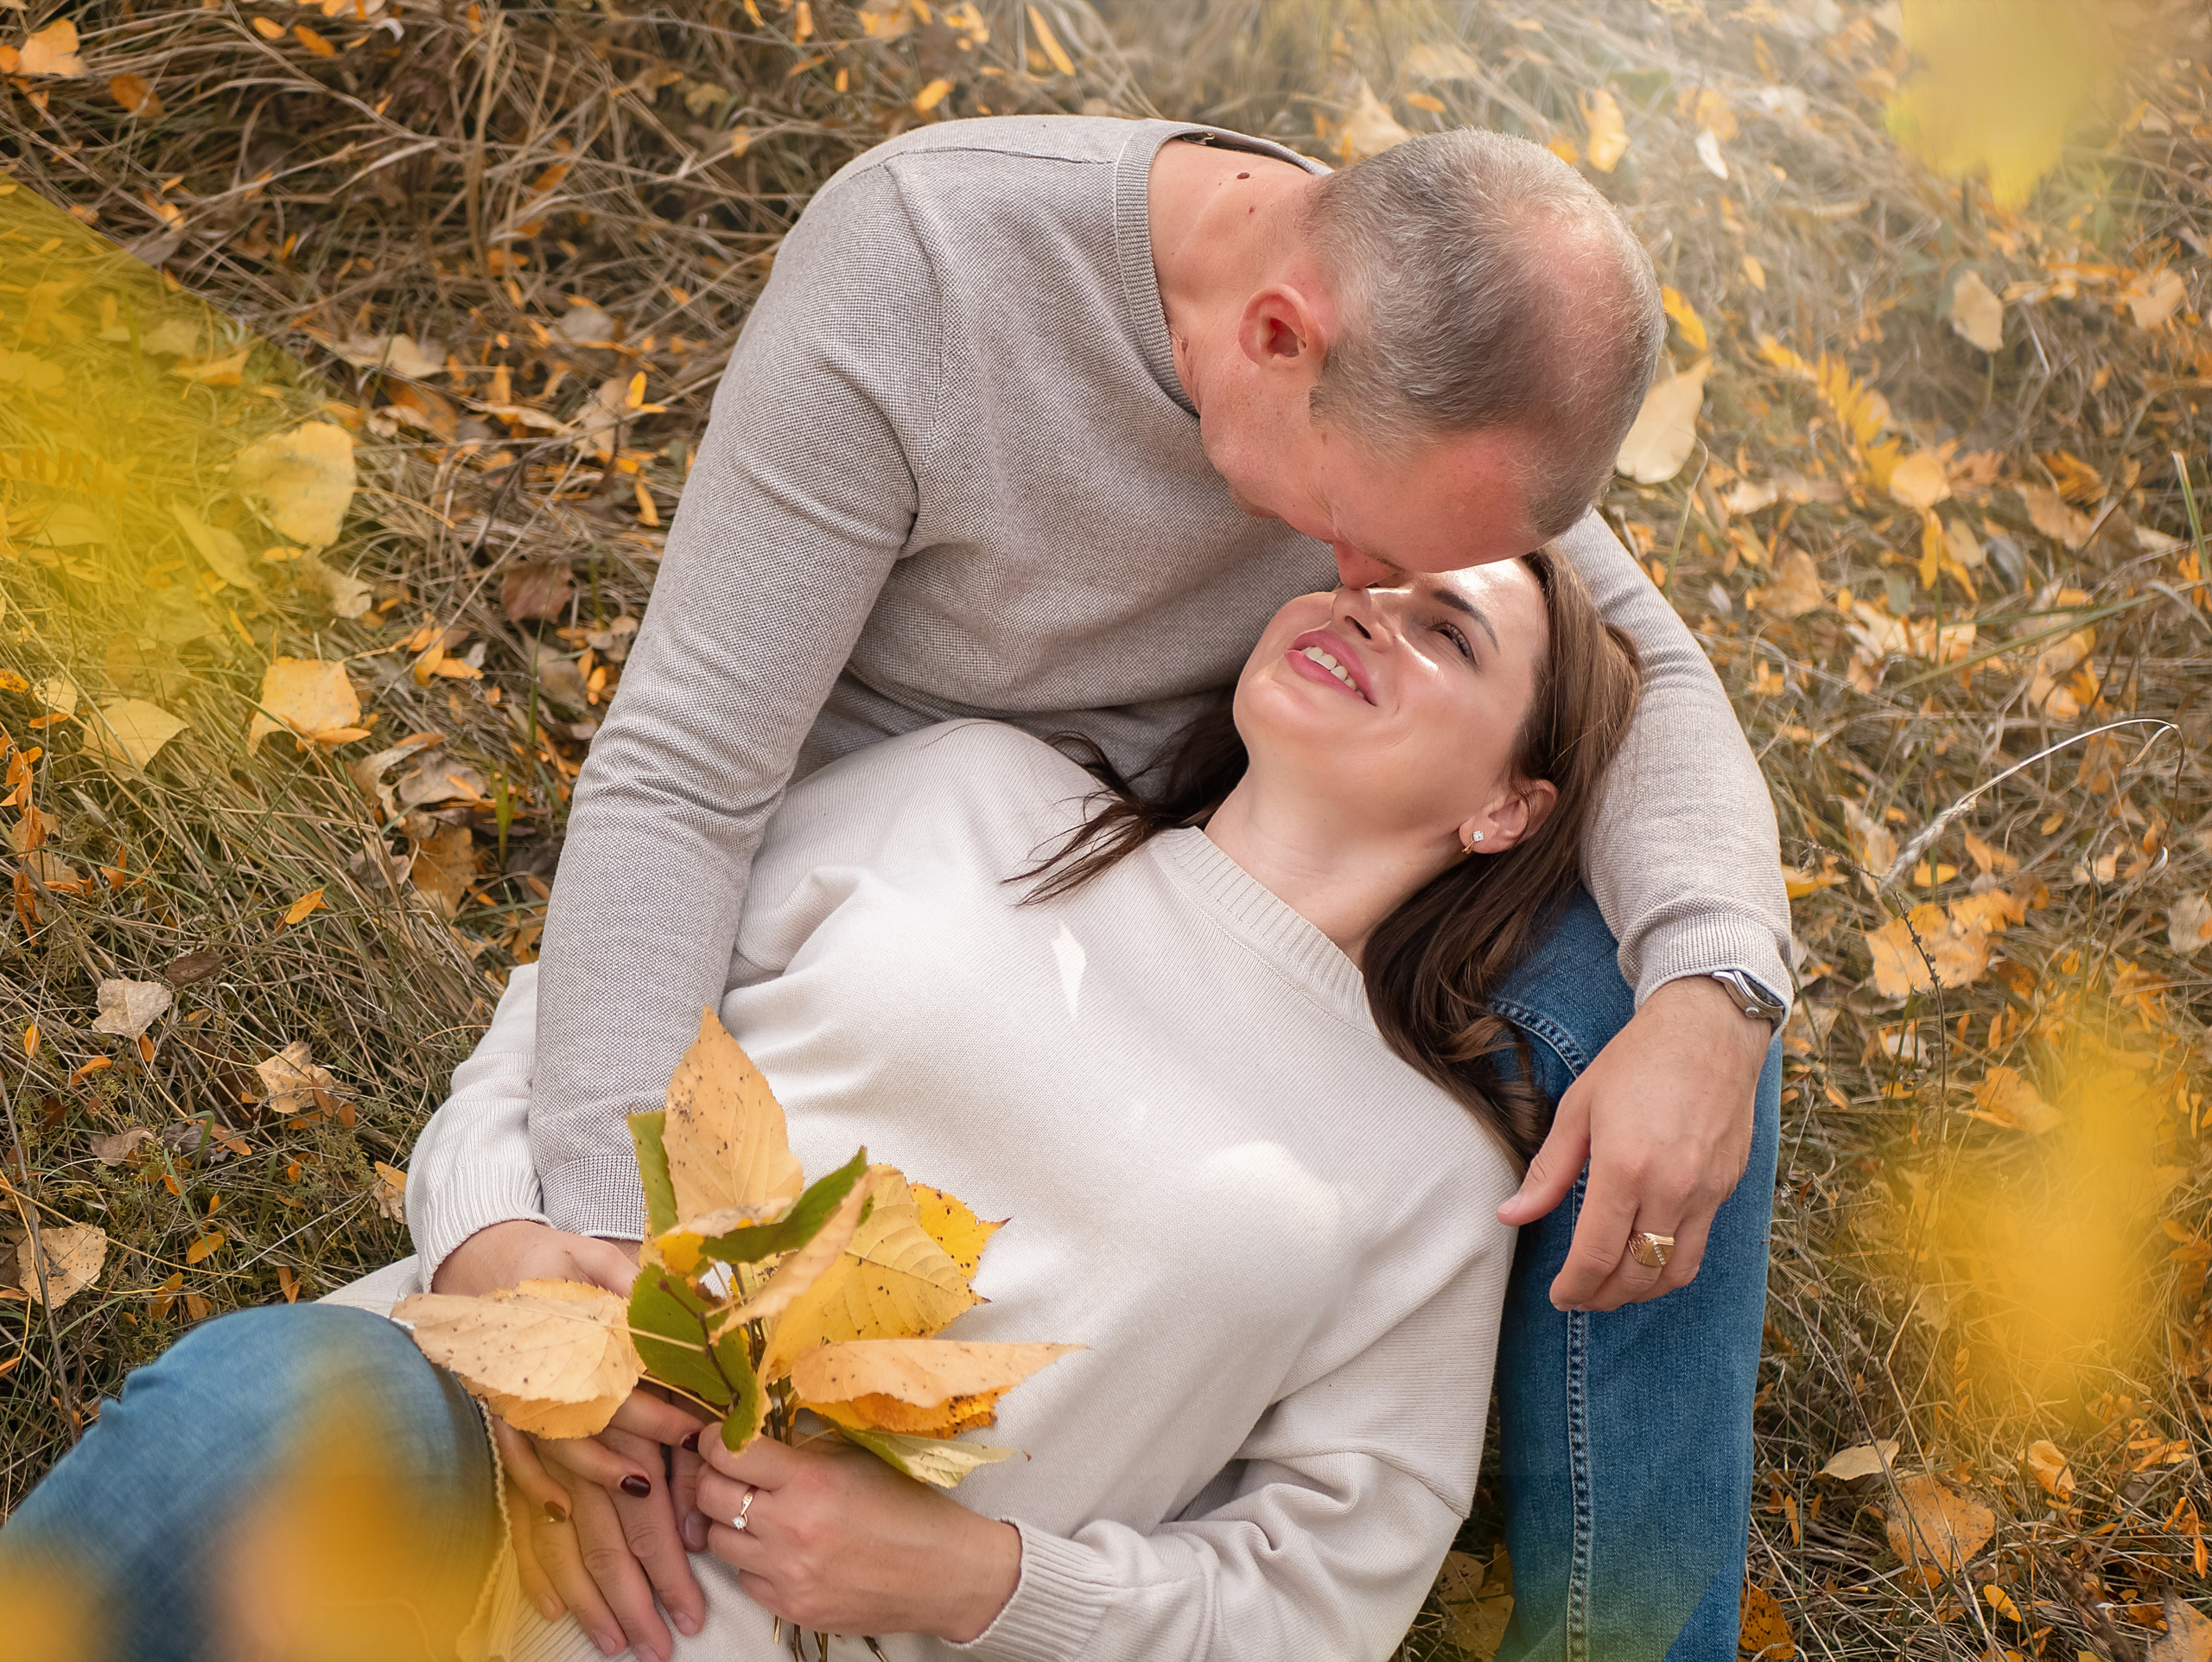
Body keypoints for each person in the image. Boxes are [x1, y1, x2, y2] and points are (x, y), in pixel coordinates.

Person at [484, 116, 1788, 1659]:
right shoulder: (930, 267)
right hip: (951, 863)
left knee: (1682, 1013)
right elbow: (682, 774)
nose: (1356, 588)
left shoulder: (1428, 350)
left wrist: (1718, 998)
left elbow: (1651, 680)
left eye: (1433, 596)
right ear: (1280, 339)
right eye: (1362, 540)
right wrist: (596, 1292)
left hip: (1269, 842)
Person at [7, 553, 1639, 1662]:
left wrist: (984, 1581)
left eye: (1449, 633)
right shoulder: (979, 791)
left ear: (1510, 807)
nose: (1371, 609)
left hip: (802, 1640)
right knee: (247, 1413)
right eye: (1370, 571)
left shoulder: (1430, 1169)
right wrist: (497, 1253)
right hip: (471, 1443)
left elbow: (1326, 1594)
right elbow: (594, 1003)